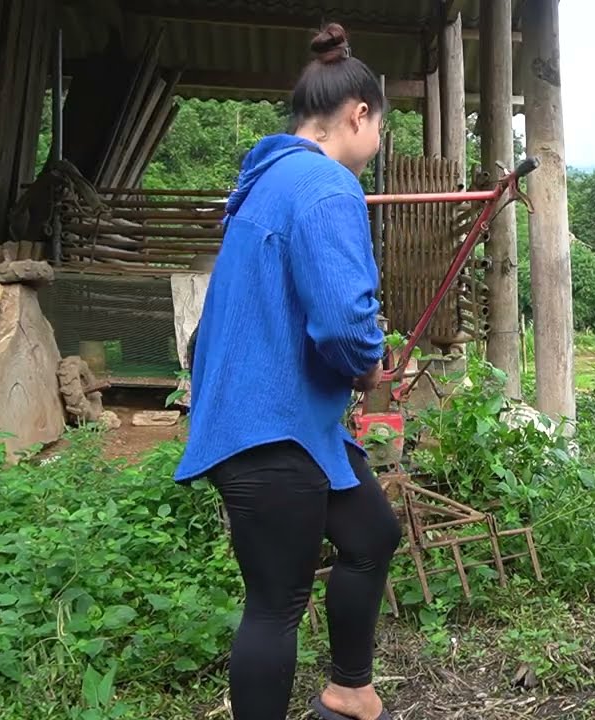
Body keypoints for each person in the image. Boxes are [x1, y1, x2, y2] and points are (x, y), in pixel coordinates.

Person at [173, 23, 400, 720]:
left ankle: (349, 688)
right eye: (381, 128)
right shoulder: (327, 186)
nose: (379, 145)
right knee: (276, 603)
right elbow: (340, 320)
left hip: (291, 421)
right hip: (266, 426)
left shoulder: (265, 181)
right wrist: (368, 365)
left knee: (371, 535)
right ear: (358, 114)